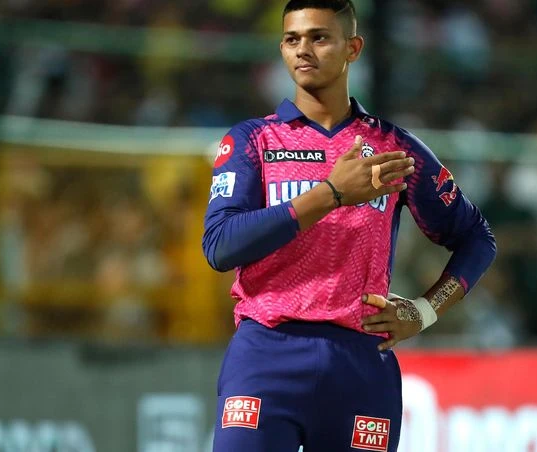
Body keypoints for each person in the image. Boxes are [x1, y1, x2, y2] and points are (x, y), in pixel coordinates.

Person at [201, 1, 497, 451]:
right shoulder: (252, 140)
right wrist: (330, 193)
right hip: (267, 352)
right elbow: (220, 247)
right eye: (291, 39)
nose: (303, 50)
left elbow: (477, 239)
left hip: (360, 363)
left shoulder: (394, 148)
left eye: (319, 37)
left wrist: (425, 310)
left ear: (352, 48)